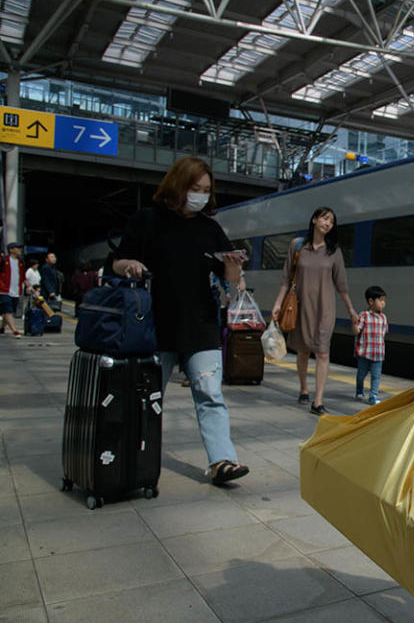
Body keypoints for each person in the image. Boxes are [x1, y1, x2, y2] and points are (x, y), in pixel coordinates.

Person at [110, 156, 250, 485]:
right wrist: (128, 263)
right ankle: (134, 456)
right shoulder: (147, 221)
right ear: (178, 185)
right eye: (195, 188)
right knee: (147, 395)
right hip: (153, 325)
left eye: (206, 190)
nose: (201, 195)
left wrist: (233, 268)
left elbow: (229, 287)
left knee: (209, 393)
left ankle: (222, 462)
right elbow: (114, 263)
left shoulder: (210, 229)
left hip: (201, 325)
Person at [271, 207, 358, 415]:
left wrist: (351, 310)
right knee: (303, 350)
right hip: (301, 306)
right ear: (314, 220)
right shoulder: (298, 246)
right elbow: (286, 278)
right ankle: (303, 388)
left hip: (325, 308)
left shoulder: (333, 251)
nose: (328, 223)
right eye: (325, 218)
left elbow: (341, 285)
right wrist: (277, 303)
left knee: (323, 351)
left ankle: (318, 401)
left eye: (331, 221)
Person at [353, 285, 388, 405]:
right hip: (365, 352)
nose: (383, 303)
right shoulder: (363, 315)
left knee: (376, 376)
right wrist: (354, 326)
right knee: (361, 375)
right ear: (371, 301)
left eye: (384, 301)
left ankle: (373, 396)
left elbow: (383, 333)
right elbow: (357, 330)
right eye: (381, 300)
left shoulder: (383, 318)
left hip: (378, 353)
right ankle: (359, 390)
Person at [0, 243, 26, 337]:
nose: (20, 250)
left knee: (7, 312)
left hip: (16, 290)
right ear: (11, 250)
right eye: (18, 248)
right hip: (3, 290)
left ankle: (2, 328)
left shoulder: (21, 262)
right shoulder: (3, 260)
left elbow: (22, 276)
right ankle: (14, 330)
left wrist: (28, 285)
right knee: (8, 310)